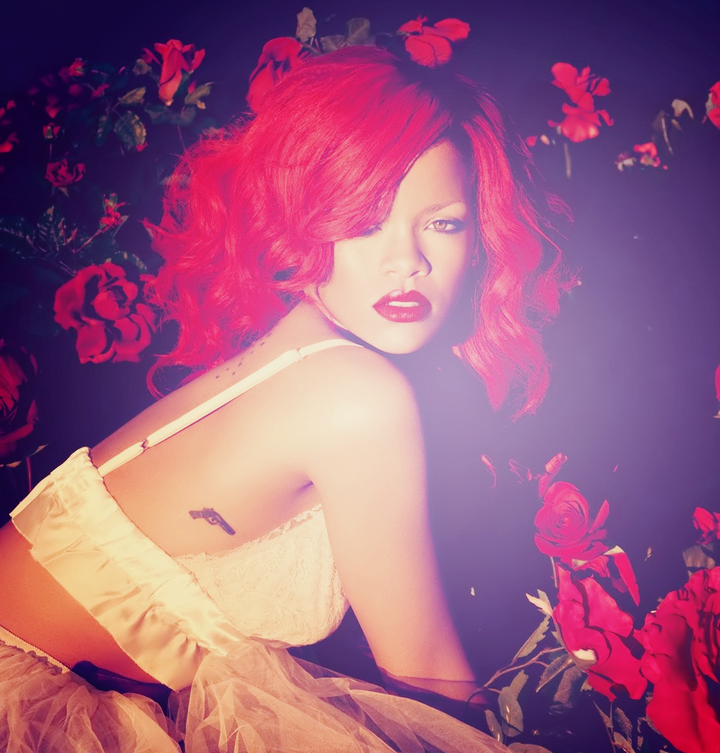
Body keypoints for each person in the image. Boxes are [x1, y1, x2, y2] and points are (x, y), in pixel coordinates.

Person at [0, 46, 567, 752]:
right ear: (301, 225)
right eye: (363, 221)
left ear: (481, 239)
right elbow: (426, 671)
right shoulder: (354, 393)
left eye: (443, 223)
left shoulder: (304, 348)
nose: (406, 261)